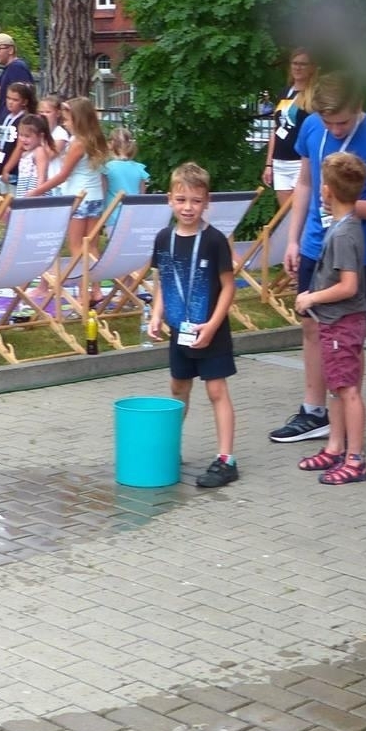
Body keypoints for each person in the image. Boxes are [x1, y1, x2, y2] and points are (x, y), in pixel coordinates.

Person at [269, 73, 366, 444]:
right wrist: (293, 240)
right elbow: (306, 184)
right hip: (316, 246)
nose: (335, 129)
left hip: (358, 254)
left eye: (342, 122)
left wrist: (349, 207)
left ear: (358, 106)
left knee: (348, 337)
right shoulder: (313, 127)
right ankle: (314, 412)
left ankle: (346, 420)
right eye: (329, 122)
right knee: (312, 326)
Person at [147, 162, 241, 489]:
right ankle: (170, 449)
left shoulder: (214, 240)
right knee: (178, 389)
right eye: (182, 199)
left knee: (216, 390)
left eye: (196, 201)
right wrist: (157, 314)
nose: (189, 207)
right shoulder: (163, 239)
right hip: (179, 330)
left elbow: (228, 286)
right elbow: (164, 282)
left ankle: (226, 459)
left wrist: (213, 325)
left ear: (207, 202)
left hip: (210, 330)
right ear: (169, 200)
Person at [293, 153, 366, 484]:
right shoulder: (344, 226)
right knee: (337, 388)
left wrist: (311, 297)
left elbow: (349, 285)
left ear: (326, 191)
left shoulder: (343, 234)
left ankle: (355, 458)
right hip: (333, 323)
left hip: (342, 321)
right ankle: (335, 446)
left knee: (348, 390)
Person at [26, 96, 110, 295]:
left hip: (78, 198)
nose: (64, 122)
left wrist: (36, 191)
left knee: (76, 247)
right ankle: (96, 289)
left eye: (67, 118)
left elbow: (63, 175)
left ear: (78, 119)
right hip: (95, 197)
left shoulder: (77, 143)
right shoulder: (95, 139)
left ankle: (83, 292)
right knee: (92, 246)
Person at [264, 50, 316, 205]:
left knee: (301, 211)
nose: (298, 67)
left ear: (311, 68)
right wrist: (269, 163)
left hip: (301, 162)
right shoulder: (284, 92)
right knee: (285, 215)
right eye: (295, 63)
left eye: (303, 64)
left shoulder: (314, 96)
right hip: (280, 162)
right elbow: (275, 129)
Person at [0, 31, 34, 137]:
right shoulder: (8, 69)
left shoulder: (17, 67)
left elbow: (25, 101)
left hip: (15, 127)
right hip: (7, 125)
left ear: (10, 50)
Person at [0, 80, 36, 194]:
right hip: (2, 167)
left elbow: (19, 148)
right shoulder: (7, 118)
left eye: (15, 100)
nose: (10, 102)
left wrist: (7, 168)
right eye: (8, 98)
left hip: (15, 171)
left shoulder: (25, 120)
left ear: (24, 102)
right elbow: (1, 145)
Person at [102, 127, 149, 230]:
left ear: (110, 144)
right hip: (134, 215)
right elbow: (142, 194)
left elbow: (103, 192)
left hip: (113, 215)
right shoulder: (139, 168)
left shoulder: (107, 168)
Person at [11, 114, 53, 197]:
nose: (23, 139)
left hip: (35, 198)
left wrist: (36, 194)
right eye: (21, 135)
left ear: (40, 136)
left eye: (27, 136)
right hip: (24, 196)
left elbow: (42, 177)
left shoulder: (39, 151)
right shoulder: (25, 154)